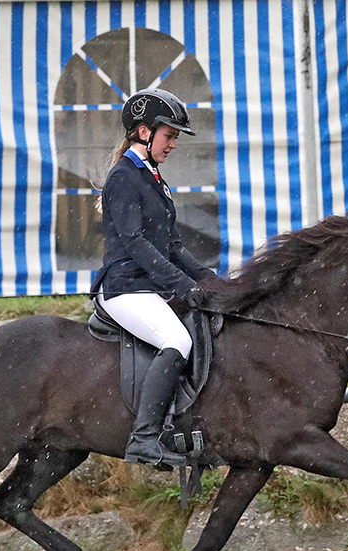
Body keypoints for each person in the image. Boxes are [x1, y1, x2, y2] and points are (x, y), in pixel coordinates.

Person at [91, 88, 217, 469]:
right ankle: (144, 439)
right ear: (144, 133)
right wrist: (181, 285)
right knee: (176, 340)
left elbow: (172, 244)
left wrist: (208, 279)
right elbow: (135, 243)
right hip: (125, 288)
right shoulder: (124, 178)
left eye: (176, 137)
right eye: (170, 136)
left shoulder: (153, 178)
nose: (174, 144)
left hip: (148, 287)